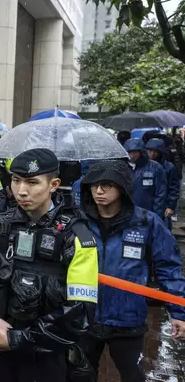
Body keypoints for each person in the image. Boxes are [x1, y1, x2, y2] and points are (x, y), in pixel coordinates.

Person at [0, 148, 99, 382]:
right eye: (16, 180)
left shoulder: (76, 237)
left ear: (54, 184)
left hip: (46, 359)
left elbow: (80, 311)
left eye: (32, 182)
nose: (22, 191)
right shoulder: (0, 225)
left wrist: (18, 339)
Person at [79, 160, 185, 382]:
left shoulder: (147, 223)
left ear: (123, 186)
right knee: (79, 376)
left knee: (133, 376)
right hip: (83, 318)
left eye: (107, 184)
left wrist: (178, 312)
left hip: (127, 320)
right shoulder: (78, 223)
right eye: (94, 185)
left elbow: (169, 267)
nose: (99, 191)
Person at [123, 138, 167, 218]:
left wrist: (157, 215)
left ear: (141, 152)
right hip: (125, 212)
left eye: (134, 152)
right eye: (129, 152)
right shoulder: (121, 167)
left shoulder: (155, 167)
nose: (131, 155)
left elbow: (160, 193)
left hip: (147, 212)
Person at [146, 138, 180, 229]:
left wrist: (171, 206)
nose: (152, 154)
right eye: (150, 150)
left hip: (163, 205)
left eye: (155, 151)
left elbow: (174, 188)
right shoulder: (142, 166)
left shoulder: (169, 167)